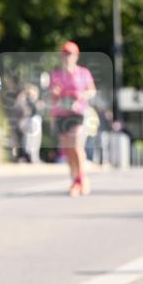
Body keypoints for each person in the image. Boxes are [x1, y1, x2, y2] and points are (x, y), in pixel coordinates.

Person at [49, 41, 96, 196]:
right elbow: (52, 96)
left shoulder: (83, 73)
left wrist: (81, 96)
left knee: (76, 146)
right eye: (65, 54)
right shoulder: (56, 74)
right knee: (68, 150)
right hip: (61, 113)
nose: (67, 57)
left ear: (76, 56)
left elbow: (92, 91)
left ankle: (80, 180)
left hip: (78, 113)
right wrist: (55, 93)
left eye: (70, 54)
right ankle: (75, 180)